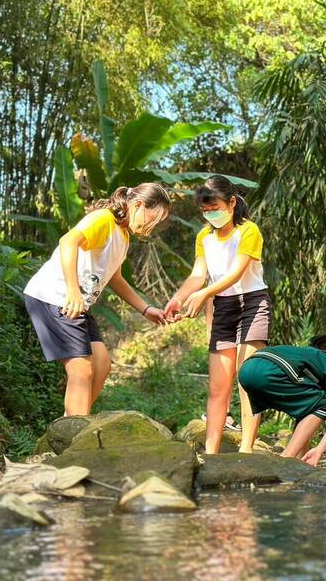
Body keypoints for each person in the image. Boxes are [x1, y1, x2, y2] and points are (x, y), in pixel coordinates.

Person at [24, 183, 171, 415]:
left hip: (76, 303)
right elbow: (68, 242)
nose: (152, 228)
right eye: (153, 220)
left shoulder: (122, 236)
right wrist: (73, 290)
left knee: (101, 364)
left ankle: (71, 424)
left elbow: (115, 278)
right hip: (55, 296)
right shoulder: (103, 219)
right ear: (138, 205)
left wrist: (146, 309)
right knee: (81, 370)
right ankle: (75, 438)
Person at [164, 175, 270, 455]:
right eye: (205, 210)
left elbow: (237, 272)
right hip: (223, 307)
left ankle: (246, 450)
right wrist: (179, 298)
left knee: (247, 378)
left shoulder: (248, 231)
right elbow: (198, 275)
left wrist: (204, 294)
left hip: (252, 304)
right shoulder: (204, 236)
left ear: (232, 203)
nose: (210, 214)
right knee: (217, 386)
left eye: (215, 208)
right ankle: (211, 453)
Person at [238, 334, 326, 466]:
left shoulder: (320, 357)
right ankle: (284, 462)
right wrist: (320, 449)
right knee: (324, 405)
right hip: (270, 370)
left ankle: (297, 462)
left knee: (310, 409)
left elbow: (307, 415)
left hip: (247, 367)